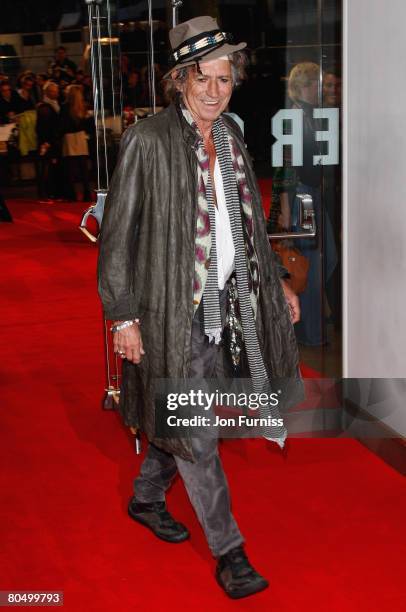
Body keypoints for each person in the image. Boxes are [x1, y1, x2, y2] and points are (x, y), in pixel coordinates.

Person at [98, 16, 303, 600]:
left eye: (224, 79)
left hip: (227, 308)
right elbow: (118, 237)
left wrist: (278, 284)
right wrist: (124, 316)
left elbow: (248, 228)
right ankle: (231, 552)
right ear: (179, 81)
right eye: (202, 80)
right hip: (170, 311)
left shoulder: (232, 137)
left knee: (184, 420)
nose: (215, 91)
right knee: (199, 431)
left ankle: (144, 498)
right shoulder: (148, 139)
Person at [284, 62, 338, 346]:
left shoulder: (309, 115)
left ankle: (309, 328)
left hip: (310, 194)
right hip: (303, 195)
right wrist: (284, 206)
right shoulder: (295, 116)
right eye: (318, 83)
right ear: (306, 85)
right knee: (311, 264)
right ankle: (310, 333)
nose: (322, 89)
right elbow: (286, 166)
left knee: (323, 258)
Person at [59, 84, 92, 202]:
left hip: (69, 138)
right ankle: (87, 193)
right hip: (80, 137)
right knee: (83, 167)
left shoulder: (64, 107)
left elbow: (61, 125)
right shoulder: (83, 107)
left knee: (71, 168)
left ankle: (72, 194)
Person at [36, 81, 62, 202]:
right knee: (46, 167)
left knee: (52, 167)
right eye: (53, 91)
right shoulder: (44, 106)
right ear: (46, 92)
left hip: (53, 140)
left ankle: (51, 192)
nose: (56, 93)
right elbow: (43, 126)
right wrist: (46, 142)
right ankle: (44, 193)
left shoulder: (55, 103)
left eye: (57, 91)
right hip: (47, 141)